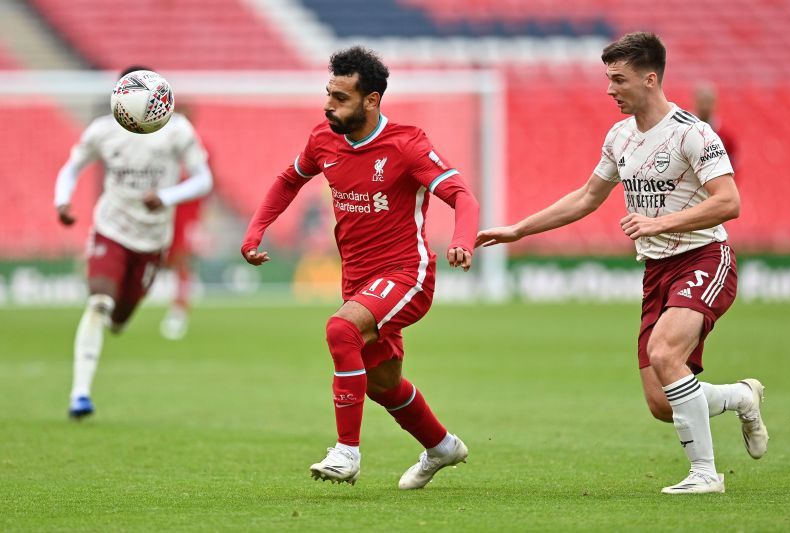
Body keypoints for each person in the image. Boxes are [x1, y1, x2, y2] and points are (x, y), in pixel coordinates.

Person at [476, 32, 767, 494]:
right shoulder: (621, 136)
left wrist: (660, 223)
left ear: (650, 79)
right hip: (657, 271)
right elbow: (588, 197)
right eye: (608, 79)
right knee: (663, 402)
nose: (610, 89)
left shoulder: (692, 133)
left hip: (705, 258)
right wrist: (517, 229)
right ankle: (741, 397)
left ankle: (705, 475)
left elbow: (729, 201)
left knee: (665, 354)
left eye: (618, 79)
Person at [241, 46, 479, 489]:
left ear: (371, 100)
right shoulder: (322, 139)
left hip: (407, 273)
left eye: (341, 97)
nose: (329, 104)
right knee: (383, 384)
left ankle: (346, 452)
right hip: (357, 279)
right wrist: (256, 230)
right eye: (328, 94)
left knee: (340, 330)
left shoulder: (406, 144)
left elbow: (462, 195)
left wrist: (463, 241)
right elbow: (289, 179)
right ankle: (442, 446)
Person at [55, 66, 213, 419]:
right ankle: (79, 394)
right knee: (98, 302)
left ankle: (115, 321)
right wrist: (62, 200)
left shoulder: (177, 131)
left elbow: (204, 180)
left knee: (119, 320)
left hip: (153, 240)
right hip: (110, 230)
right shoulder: (102, 131)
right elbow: (71, 167)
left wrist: (168, 196)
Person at [159, 197, 202, 340]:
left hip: (180, 226)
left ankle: (179, 310)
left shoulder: (190, 182)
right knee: (174, 265)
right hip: (166, 225)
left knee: (181, 265)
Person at [694, 83, 738, 172]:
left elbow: (732, 165)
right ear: (696, 101)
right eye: (702, 101)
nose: (705, 106)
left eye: (708, 101)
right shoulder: (684, 128)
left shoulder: (724, 135)